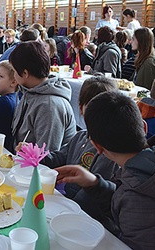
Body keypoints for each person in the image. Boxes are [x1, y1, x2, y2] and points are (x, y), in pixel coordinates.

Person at [56, 91, 155, 249]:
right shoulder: (144, 167)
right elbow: (120, 204)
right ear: (143, 127)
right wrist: (95, 184)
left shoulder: (137, 198)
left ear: (97, 146)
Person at [37, 75, 119, 222]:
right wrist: (37, 155)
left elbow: (106, 194)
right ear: (81, 108)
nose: (98, 115)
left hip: (89, 216)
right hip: (65, 204)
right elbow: (60, 157)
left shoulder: (113, 152)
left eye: (105, 109)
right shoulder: (80, 137)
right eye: (92, 107)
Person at [10, 41, 76, 151]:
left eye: (14, 71)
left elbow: (47, 154)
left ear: (25, 73)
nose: (13, 75)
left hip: (42, 166)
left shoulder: (50, 106)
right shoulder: (29, 91)